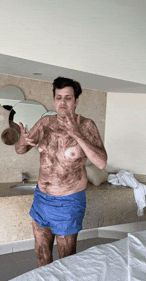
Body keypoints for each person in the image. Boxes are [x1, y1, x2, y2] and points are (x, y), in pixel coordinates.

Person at [15, 77, 107, 267]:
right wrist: (22, 141)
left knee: (66, 260)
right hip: (41, 199)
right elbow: (20, 149)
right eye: (59, 98)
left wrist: (77, 134)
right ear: (54, 99)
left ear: (76, 101)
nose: (63, 103)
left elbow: (101, 163)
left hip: (68, 201)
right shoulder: (45, 123)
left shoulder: (87, 125)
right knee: (42, 254)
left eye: (68, 98)